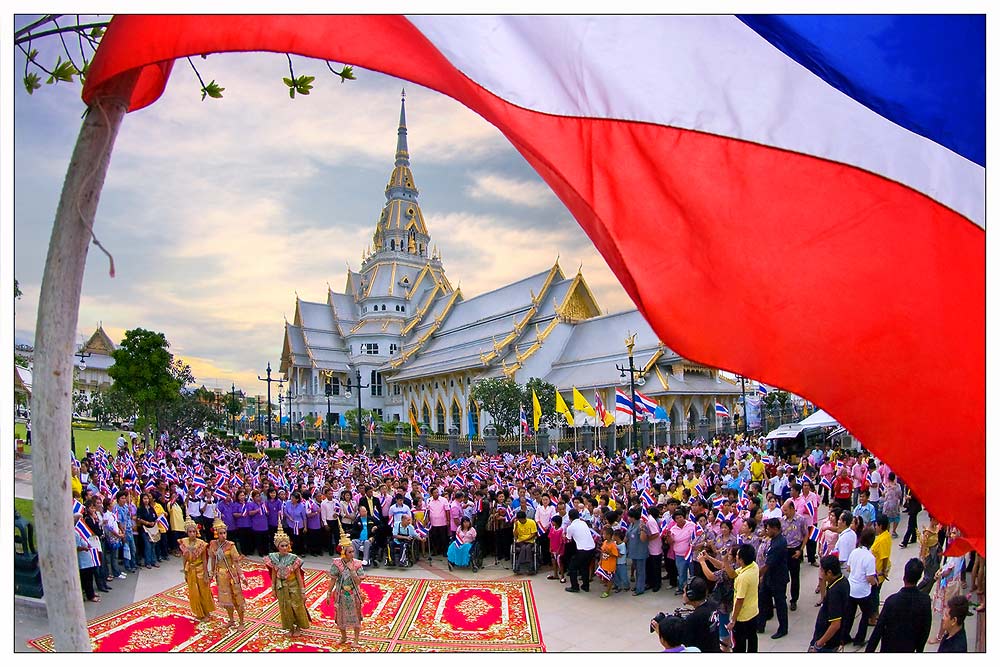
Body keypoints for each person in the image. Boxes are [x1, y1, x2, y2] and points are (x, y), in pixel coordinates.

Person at [865, 557, 932, 652]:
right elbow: (925, 628)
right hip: (910, 648)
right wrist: (919, 649)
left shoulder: (891, 601)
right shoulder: (925, 600)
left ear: (904, 577)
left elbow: (878, 630)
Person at [266, 524, 310, 637]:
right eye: (282, 545)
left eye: (286, 545)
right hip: (281, 585)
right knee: (285, 607)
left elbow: (298, 576)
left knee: (297, 606)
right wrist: (273, 588)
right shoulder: (273, 558)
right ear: (277, 546)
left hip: (293, 585)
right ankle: (290, 627)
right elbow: (274, 574)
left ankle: (299, 627)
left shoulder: (293, 559)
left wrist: (303, 591)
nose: (285, 547)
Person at [208, 518, 247, 629]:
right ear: (216, 534)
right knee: (226, 599)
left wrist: (242, 575)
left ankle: (242, 622)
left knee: (236, 598)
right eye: (220, 533)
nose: (223, 535)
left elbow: (236, 562)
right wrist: (212, 573)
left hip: (231, 574)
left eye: (224, 533)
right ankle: (231, 620)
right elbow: (213, 560)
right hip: (220, 575)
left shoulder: (231, 545)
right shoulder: (213, 545)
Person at [841, 528, 878, 647]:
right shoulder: (870, 557)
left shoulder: (854, 552)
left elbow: (849, 568)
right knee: (865, 614)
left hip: (851, 588)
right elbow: (869, 578)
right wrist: (875, 582)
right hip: (863, 591)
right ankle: (859, 639)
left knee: (849, 614)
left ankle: (844, 636)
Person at [327, 537, 366, 647]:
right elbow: (333, 579)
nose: (352, 554)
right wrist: (328, 593)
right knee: (340, 617)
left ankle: (356, 640)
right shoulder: (337, 564)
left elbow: (358, 582)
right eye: (350, 552)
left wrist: (353, 571)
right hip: (341, 594)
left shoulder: (357, 564)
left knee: (356, 617)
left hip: (354, 594)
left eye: (353, 551)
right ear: (343, 553)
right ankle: (343, 637)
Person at [809, 555, 850, 652]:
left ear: (829, 573)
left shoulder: (835, 592)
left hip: (827, 643)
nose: (821, 574)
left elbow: (835, 624)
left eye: (822, 571)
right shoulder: (843, 580)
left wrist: (818, 644)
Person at [757, 517, 789, 639]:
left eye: (769, 529)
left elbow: (767, 565)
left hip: (778, 578)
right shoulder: (773, 540)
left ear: (775, 529)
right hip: (769, 577)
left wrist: (757, 575)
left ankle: (783, 628)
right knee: (763, 600)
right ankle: (760, 624)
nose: (767, 530)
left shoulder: (779, 544)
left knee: (780, 603)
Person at [178, 517, 215, 623]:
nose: (192, 534)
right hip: (190, 569)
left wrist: (205, 573)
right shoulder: (184, 543)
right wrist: (185, 571)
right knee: (194, 592)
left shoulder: (201, 544)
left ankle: (207, 612)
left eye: (194, 531)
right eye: (190, 532)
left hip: (200, 569)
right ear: (187, 532)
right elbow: (184, 558)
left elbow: (204, 560)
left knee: (204, 591)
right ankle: (199, 612)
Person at [727, 543, 760, 653]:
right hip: (753, 612)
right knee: (752, 639)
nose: (735, 556)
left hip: (743, 616)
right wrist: (725, 561)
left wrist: (733, 620)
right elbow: (732, 575)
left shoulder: (743, 578)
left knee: (739, 645)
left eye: (737, 555)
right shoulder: (754, 566)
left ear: (741, 560)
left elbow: (739, 601)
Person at [780, 498, 808, 611]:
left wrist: (800, 550)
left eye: (786, 510)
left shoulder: (801, 520)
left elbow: (806, 535)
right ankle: (782, 597)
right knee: (782, 576)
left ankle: (794, 600)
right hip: (784, 551)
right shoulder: (782, 520)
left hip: (795, 550)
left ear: (792, 509)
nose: (784, 513)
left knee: (795, 577)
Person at [563, 508, 596, 593]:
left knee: (572, 567)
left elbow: (568, 539)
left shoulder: (571, 527)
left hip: (582, 550)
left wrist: (564, 535)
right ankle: (586, 586)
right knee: (584, 567)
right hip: (592, 548)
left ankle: (575, 587)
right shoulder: (583, 523)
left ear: (570, 518)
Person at [597, 526, 619, 598]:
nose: (603, 535)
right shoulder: (605, 542)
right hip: (604, 564)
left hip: (610, 565)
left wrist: (609, 553)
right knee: (603, 576)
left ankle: (607, 591)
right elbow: (602, 552)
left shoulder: (613, 545)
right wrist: (600, 560)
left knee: (610, 578)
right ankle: (608, 586)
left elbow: (616, 555)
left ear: (609, 535)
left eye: (604, 534)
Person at [546, 514, 566, 583]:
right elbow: (550, 539)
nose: (552, 522)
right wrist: (550, 547)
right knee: (553, 561)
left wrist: (558, 550)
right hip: (553, 548)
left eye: (553, 521)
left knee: (560, 562)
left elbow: (561, 542)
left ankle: (562, 576)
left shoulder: (561, 530)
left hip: (559, 549)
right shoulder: (552, 529)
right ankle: (555, 574)